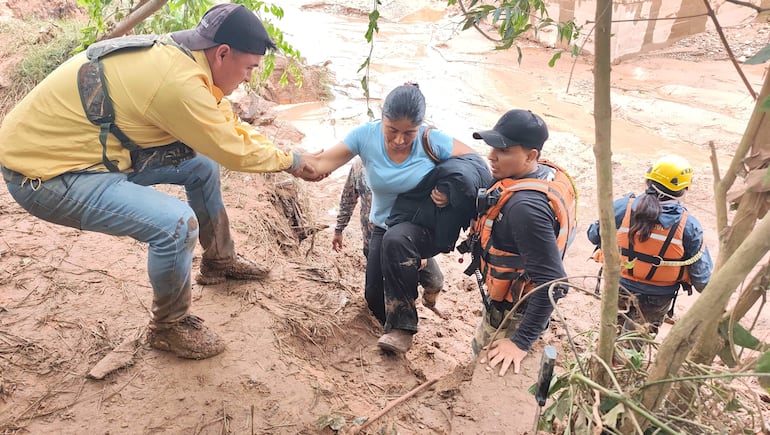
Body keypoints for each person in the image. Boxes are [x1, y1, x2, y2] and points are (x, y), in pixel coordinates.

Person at [0, 3, 320, 360]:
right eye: (249, 67)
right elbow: (233, 151)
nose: (248, 78)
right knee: (175, 225)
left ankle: (219, 259)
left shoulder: (184, 56)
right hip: (45, 174)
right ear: (222, 53)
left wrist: (285, 154)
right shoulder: (179, 85)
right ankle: (169, 326)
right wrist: (293, 162)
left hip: (83, 150)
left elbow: (224, 128)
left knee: (201, 165)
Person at [306, 83, 479, 354]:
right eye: (392, 130)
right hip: (382, 225)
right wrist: (289, 162)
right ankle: (389, 327)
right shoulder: (365, 136)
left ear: (420, 126)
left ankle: (403, 328)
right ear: (381, 119)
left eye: (408, 133)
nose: (399, 140)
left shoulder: (432, 140)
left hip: (420, 226)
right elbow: (321, 164)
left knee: (405, 250)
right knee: (373, 294)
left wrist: (450, 190)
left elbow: (475, 163)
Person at [464, 109, 576, 376]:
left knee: (485, 366)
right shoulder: (539, 175)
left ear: (530, 156)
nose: (491, 156)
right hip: (511, 297)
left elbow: (554, 282)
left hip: (516, 311)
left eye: (503, 150)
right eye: (492, 147)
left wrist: (520, 342)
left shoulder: (525, 208)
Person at [587, 154, 713, 341]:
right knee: (633, 346)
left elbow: (593, 235)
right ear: (685, 189)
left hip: (618, 286)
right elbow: (702, 280)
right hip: (656, 298)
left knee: (609, 335)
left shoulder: (623, 207)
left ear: (648, 181)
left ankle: (604, 357)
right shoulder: (688, 225)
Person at [332, 157, 447, 316]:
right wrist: (339, 229)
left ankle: (428, 302)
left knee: (435, 281)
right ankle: (385, 323)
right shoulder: (360, 165)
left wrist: (423, 253)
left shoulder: (409, 164)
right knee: (376, 292)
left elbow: (425, 208)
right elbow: (348, 198)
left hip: (407, 241)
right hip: (373, 240)